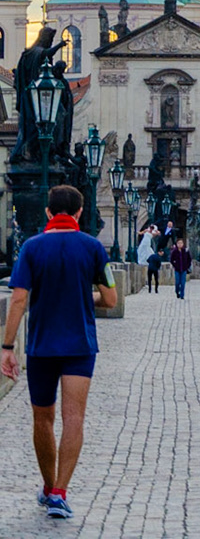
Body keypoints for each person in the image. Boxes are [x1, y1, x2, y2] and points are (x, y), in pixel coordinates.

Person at [2, 183, 118, 520]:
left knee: (42, 418)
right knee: (74, 418)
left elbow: (20, 299)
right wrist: (84, 299)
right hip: (80, 346)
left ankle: (48, 484)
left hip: (41, 346)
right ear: (80, 212)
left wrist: (7, 347)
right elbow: (110, 300)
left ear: (48, 213)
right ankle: (60, 492)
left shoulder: (32, 247)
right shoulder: (94, 248)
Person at [142, 227, 163, 294]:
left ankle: (150, 290)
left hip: (150, 268)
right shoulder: (158, 257)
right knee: (156, 279)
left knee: (149, 279)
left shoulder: (151, 256)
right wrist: (158, 268)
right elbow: (159, 263)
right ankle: (156, 290)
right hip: (155, 269)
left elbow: (148, 260)